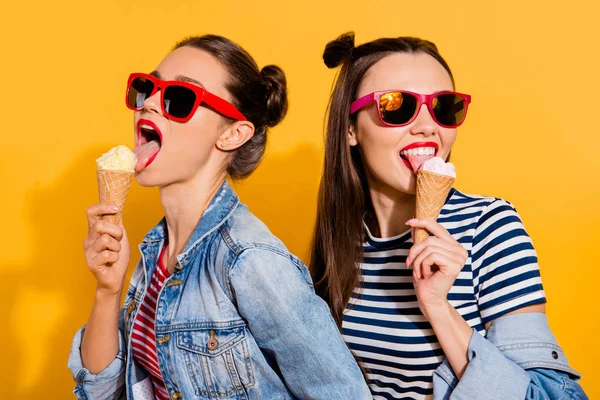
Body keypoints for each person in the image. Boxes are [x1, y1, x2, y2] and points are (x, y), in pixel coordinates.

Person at [68, 34, 371, 400]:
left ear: (232, 134)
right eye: (146, 87)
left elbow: (342, 393)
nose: (148, 103)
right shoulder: (154, 251)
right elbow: (101, 392)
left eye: (179, 98)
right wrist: (107, 291)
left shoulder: (250, 260)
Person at [310, 32, 588, 400]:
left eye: (444, 107)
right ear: (350, 129)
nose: (428, 126)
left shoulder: (490, 227)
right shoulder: (343, 239)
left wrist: (438, 308)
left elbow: (552, 395)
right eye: (396, 105)